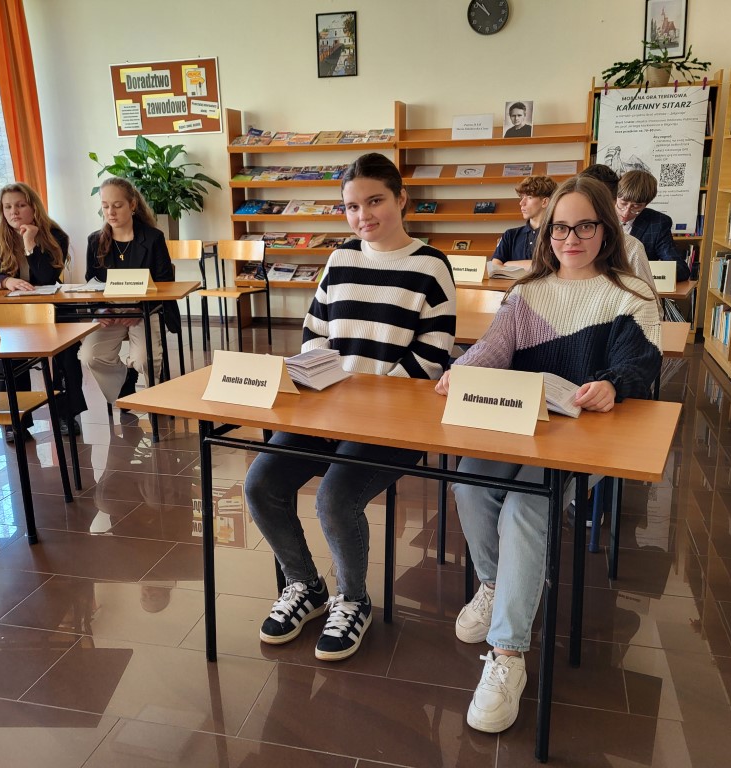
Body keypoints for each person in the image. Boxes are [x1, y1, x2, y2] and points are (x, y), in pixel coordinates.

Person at [436, 175, 661, 734]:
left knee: (525, 506)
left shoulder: (629, 293)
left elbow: (642, 363)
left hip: (581, 434)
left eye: (584, 226)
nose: (570, 239)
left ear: (606, 228)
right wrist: (461, 371)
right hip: (519, 423)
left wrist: (613, 384)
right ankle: (496, 585)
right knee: (469, 482)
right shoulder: (527, 291)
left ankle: (508, 653)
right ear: (547, 232)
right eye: (560, 228)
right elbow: (493, 347)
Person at [244, 153, 456, 662]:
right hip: (328, 411)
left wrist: (362, 405)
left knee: (335, 499)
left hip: (392, 423)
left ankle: (353, 599)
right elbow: (314, 333)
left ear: (401, 199)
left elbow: (430, 359)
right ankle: (305, 584)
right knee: (260, 484)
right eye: (352, 206)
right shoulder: (340, 260)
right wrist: (325, 388)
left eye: (375, 201)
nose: (363, 215)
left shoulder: (430, 266)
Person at [0, 181, 86, 439]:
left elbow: (47, 278)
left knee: (67, 353)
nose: (14, 212)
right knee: (6, 354)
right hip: (10, 311)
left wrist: (30, 243)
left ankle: (66, 415)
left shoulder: (56, 235)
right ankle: (15, 420)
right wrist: (5, 281)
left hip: (49, 308)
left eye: (20, 205)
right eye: (8, 207)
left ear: (33, 207)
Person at [78, 177, 175, 406]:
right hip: (110, 312)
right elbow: (91, 283)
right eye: (105, 206)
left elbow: (165, 283)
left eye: (117, 205)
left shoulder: (153, 238)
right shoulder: (95, 241)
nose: (110, 212)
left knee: (143, 360)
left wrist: (138, 309)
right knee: (89, 356)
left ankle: (155, 399)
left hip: (146, 309)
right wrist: (99, 310)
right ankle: (124, 380)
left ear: (132, 205)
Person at [579, 164, 660, 304]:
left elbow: (650, 302)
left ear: (612, 203)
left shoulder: (631, 247)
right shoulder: (560, 241)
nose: (626, 212)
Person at [616, 169, 691, 282]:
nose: (626, 212)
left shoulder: (657, 223)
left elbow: (681, 270)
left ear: (646, 204)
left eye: (636, 207)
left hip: (637, 287)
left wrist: (643, 271)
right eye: (623, 203)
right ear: (615, 196)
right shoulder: (599, 215)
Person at [490, 175, 557, 269]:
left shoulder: (559, 234)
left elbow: (547, 267)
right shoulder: (510, 235)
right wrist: (530, 265)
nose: (521, 203)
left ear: (545, 202)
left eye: (529, 197)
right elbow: (495, 266)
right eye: (522, 197)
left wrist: (508, 264)